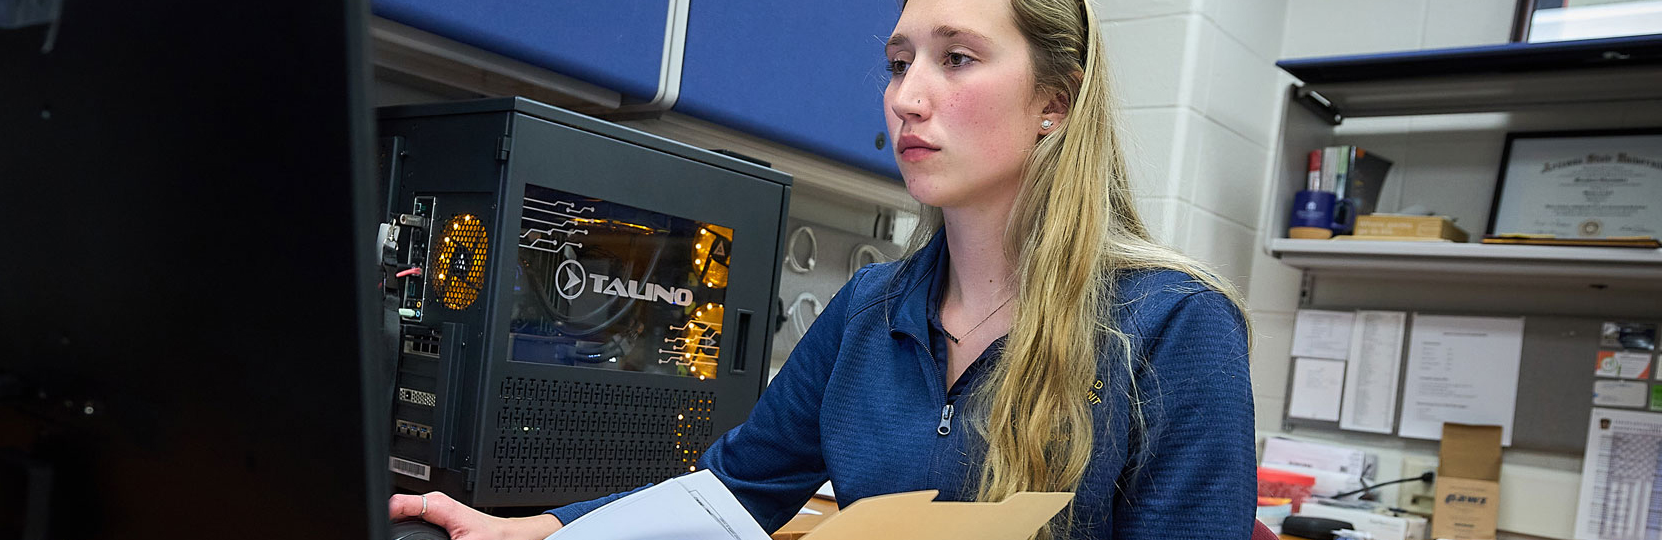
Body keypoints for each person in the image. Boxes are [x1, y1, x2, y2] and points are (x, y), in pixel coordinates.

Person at [388, 0, 1256, 537]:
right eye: (898, 61)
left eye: (955, 58)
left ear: (1054, 103)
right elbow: (735, 490)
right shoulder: (874, 307)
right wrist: (541, 532)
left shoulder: (1172, 324)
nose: (907, 96)